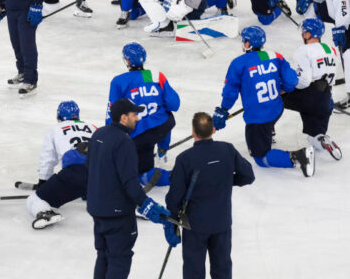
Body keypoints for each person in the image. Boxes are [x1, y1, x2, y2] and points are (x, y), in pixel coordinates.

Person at [86, 98, 176, 279]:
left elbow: (90, 168)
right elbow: (130, 182)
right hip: (118, 215)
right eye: (134, 114)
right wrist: (147, 205)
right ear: (123, 118)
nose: (137, 118)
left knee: (103, 255)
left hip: (97, 210)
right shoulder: (124, 142)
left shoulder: (98, 135)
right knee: (119, 259)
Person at [213, 26, 315, 178]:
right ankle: (270, 131)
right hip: (277, 108)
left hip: (259, 118)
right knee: (268, 118)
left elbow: (230, 92)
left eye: (244, 41)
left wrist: (223, 110)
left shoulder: (239, 63)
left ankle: (299, 156)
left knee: (260, 158)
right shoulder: (275, 56)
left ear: (248, 44)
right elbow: (292, 80)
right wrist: (282, 89)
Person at [164, 112, 255, 279]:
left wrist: (172, 219)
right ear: (213, 130)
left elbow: (174, 197)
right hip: (222, 223)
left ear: (193, 132)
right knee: (222, 269)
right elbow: (248, 176)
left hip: (195, 226)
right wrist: (228, 180)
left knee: (193, 271)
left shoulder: (185, 159)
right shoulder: (227, 150)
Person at [107, 43, 180, 190]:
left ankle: (176, 176)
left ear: (127, 60)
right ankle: (162, 150)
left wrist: (111, 139)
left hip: (139, 136)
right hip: (163, 127)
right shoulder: (154, 75)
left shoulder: (119, 81)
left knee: (143, 174)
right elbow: (174, 104)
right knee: (164, 114)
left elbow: (113, 114)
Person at [26, 100, 97, 230]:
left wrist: (44, 182)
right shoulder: (93, 126)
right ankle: (136, 206)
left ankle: (44, 213)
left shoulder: (55, 129)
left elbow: (48, 159)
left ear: (59, 117)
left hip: (76, 173)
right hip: (104, 173)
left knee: (34, 199)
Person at [282, 18, 343, 161]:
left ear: (308, 34)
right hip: (326, 99)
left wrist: (284, 90)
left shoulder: (303, 51)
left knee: (274, 98)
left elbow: (303, 81)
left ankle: (269, 130)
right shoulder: (331, 49)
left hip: (310, 97)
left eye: (304, 32)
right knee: (314, 134)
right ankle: (321, 138)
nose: (302, 34)